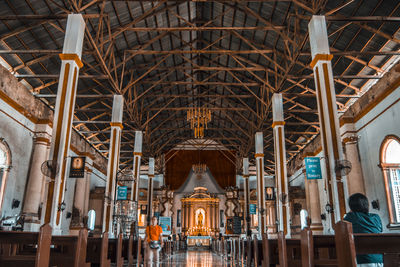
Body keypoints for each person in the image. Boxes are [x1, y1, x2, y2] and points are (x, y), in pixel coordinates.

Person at [344, 193, 383, 267]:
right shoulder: (376, 217)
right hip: (379, 259)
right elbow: (380, 230)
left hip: (361, 259)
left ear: (351, 206)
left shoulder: (350, 217)